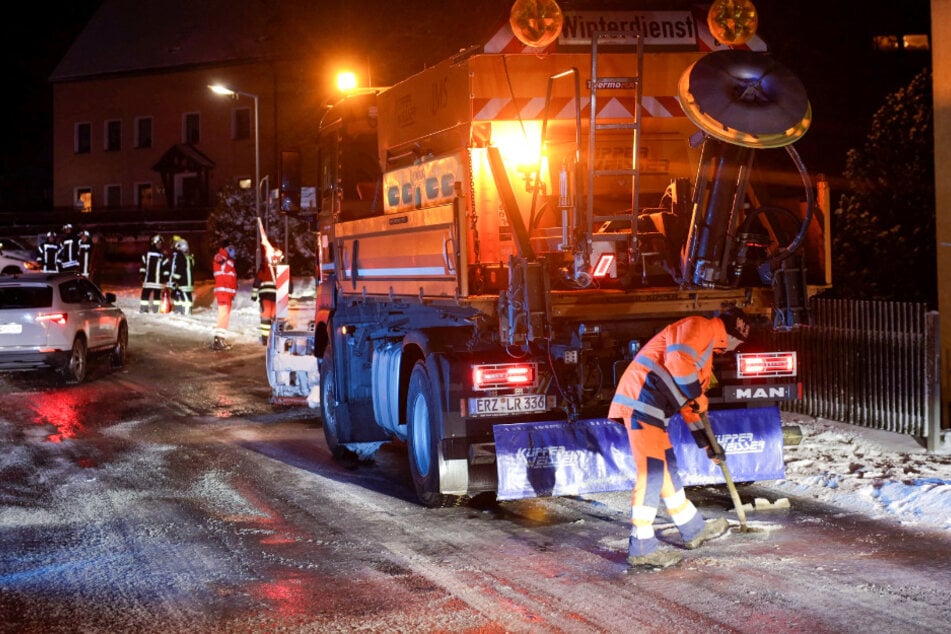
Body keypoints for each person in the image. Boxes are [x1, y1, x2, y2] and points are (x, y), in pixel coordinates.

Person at [608, 306, 751, 569]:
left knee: (667, 469)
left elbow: (691, 405)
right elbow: (679, 363)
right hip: (641, 403)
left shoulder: (706, 355)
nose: (734, 348)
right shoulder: (700, 327)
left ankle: (693, 529)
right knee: (651, 473)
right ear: (734, 335)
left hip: (654, 412)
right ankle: (642, 548)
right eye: (738, 343)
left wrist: (709, 444)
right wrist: (697, 395)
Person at [251, 246, 282, 345]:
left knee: (266, 317)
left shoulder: (264, 268)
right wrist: (288, 297)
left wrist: (254, 295)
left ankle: (265, 338)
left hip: (265, 297)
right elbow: (289, 284)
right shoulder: (282, 268)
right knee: (276, 317)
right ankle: (276, 338)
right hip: (278, 298)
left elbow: (257, 282)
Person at [212, 241, 238, 350]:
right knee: (223, 315)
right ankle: (218, 340)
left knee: (224, 316)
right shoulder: (221, 258)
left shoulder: (227, 260)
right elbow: (221, 263)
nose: (233, 250)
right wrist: (228, 258)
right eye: (230, 248)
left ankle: (219, 339)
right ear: (225, 248)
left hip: (227, 293)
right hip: (223, 292)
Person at [165, 237, 195, 315]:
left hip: (183, 282)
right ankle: (180, 311)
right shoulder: (189, 257)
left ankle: (186, 313)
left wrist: (174, 280)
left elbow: (178, 270)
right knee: (182, 297)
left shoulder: (180, 257)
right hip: (188, 282)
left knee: (186, 299)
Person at [139, 234, 166, 313]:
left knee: (155, 297)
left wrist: (165, 278)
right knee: (145, 296)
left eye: (160, 244)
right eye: (158, 243)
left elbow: (165, 269)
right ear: (154, 243)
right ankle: (145, 310)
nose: (160, 245)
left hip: (154, 281)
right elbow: (143, 267)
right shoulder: (159, 255)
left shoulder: (161, 256)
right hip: (151, 281)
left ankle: (155, 310)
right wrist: (142, 275)